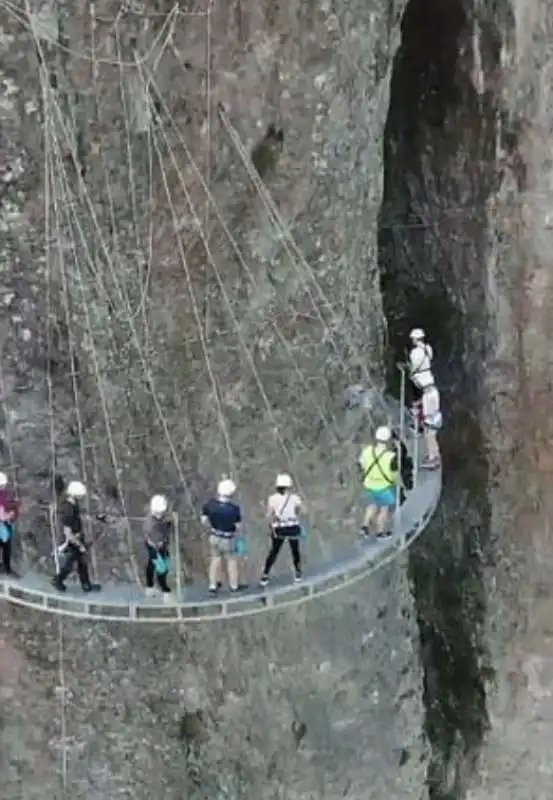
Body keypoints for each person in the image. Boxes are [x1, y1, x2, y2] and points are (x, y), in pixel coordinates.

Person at [52, 481, 100, 593]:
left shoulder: (73, 503)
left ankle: (86, 584)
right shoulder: (68, 508)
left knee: (80, 561)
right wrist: (79, 544)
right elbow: (67, 531)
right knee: (72, 561)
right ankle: (58, 579)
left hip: (76, 536)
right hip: (72, 539)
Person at [260, 473, 303, 586]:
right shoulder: (295, 498)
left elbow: (269, 514)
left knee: (274, 551)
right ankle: (298, 572)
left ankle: (265, 575)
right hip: (292, 526)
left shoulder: (272, 498)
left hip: (279, 528)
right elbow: (299, 510)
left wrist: (269, 522)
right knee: (295, 550)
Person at [201, 478, 242, 594]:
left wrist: (211, 527)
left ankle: (212, 585)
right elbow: (238, 526)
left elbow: (204, 520)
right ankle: (234, 585)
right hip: (228, 538)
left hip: (214, 536)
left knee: (215, 560)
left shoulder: (210, 505)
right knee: (231, 561)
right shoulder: (234, 509)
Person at [358, 426, 398, 538]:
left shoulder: (367, 451)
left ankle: (364, 526)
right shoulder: (391, 457)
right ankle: (380, 532)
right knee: (384, 508)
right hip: (384, 486)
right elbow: (394, 474)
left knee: (372, 504)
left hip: (369, 484)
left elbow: (361, 464)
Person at [143, 494, 172, 599]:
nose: (160, 515)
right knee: (161, 568)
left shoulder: (162, 518)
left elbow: (165, 529)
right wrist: (158, 543)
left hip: (161, 546)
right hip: (153, 547)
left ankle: (150, 587)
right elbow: (152, 536)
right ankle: (164, 589)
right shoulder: (149, 523)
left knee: (155, 564)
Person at [407, 328, 436, 432]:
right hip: (428, 376)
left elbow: (414, 366)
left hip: (418, 378)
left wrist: (410, 371)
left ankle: (416, 424)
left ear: (416, 339)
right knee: (425, 400)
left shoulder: (415, 352)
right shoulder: (428, 348)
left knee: (416, 402)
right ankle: (426, 422)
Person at [0, 472, 19, 577]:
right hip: (2, 524)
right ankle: (6, 569)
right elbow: (2, 515)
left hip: (4, 524)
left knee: (6, 546)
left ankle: (6, 568)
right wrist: (10, 515)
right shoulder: (2, 495)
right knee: (6, 546)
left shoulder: (5, 494)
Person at [420, 385, 442, 470]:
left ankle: (434, 458)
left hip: (434, 419)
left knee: (431, 437)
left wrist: (427, 415)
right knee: (429, 436)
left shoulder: (431, 394)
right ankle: (433, 456)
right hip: (432, 419)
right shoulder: (431, 393)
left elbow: (432, 408)